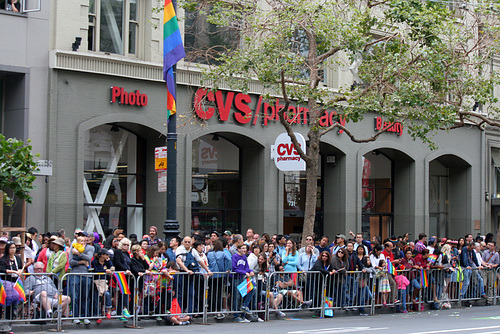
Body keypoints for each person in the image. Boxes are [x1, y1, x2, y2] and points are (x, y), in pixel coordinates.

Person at [68, 234, 94, 325]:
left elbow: (89, 258)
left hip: (86, 275)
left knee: (85, 297)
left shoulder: (90, 248)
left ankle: (85, 316)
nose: (83, 241)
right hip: (75, 274)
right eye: (81, 239)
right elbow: (70, 261)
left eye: (85, 239)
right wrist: (81, 262)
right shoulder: (73, 247)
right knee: (75, 296)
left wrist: (79, 254)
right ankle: (75, 316)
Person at [232, 243, 255, 323]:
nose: (244, 250)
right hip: (236, 279)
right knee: (236, 297)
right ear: (238, 249)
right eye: (242, 248)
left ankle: (244, 306)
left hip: (242, 279)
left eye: (245, 248)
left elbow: (247, 268)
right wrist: (244, 272)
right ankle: (236, 315)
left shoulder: (245, 257)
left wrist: (251, 271)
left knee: (252, 289)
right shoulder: (235, 256)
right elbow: (234, 268)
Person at [91, 248, 115, 323]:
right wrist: (105, 271)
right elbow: (95, 270)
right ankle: (97, 315)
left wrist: (111, 268)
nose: (107, 256)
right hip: (96, 281)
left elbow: (112, 267)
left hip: (105, 281)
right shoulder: (94, 261)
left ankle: (108, 310)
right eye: (106, 254)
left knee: (107, 294)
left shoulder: (108, 261)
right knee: (96, 298)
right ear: (101, 255)